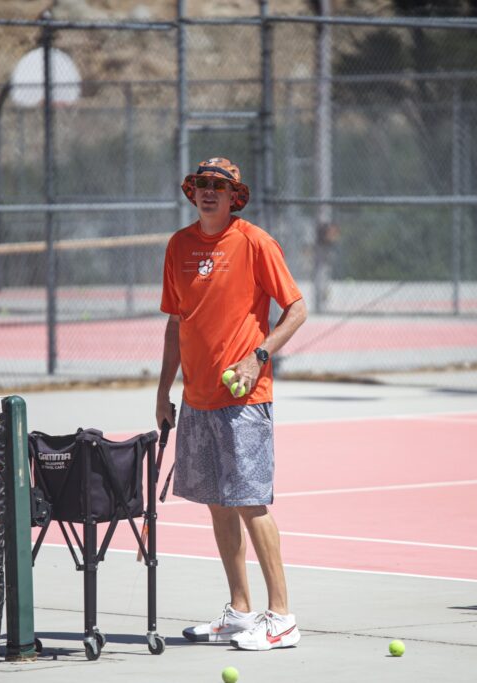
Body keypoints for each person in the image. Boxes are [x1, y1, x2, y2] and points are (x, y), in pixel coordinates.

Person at [156, 158, 307, 651]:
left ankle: (281, 617)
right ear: (192, 191)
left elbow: (297, 309)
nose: (208, 192)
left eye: (219, 186)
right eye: (201, 184)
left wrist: (256, 357)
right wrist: (163, 392)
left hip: (244, 400)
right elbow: (177, 323)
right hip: (196, 398)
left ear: (234, 196)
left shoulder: (255, 242)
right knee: (218, 503)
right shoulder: (178, 246)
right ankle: (240, 612)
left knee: (249, 502)